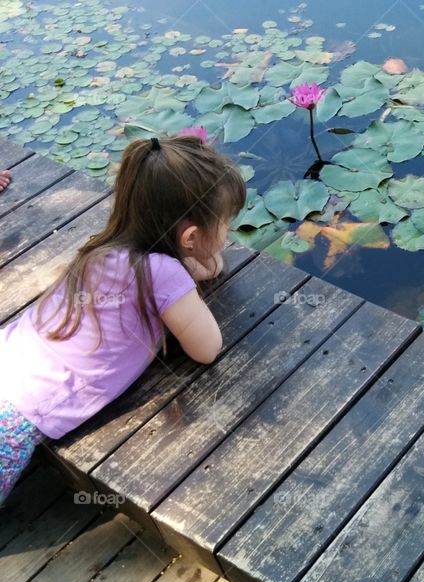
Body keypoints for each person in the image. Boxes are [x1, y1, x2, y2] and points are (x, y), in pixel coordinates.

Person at [0, 135, 245, 505]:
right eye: (225, 224)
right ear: (191, 236)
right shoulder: (163, 274)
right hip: (16, 418)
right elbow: (207, 348)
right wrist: (197, 267)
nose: (227, 235)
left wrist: (196, 261)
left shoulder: (102, 248)